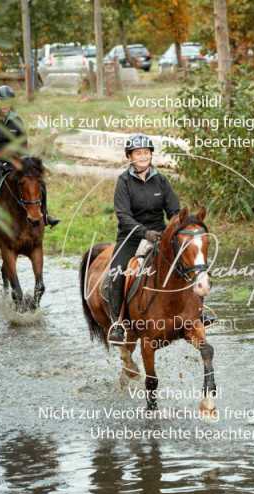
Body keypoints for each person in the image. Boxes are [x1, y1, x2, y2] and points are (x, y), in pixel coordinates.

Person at [108, 133, 214, 344]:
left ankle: (199, 312)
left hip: (160, 235)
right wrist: (143, 232)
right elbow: (123, 215)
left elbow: (174, 211)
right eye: (138, 153)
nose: (143, 156)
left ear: (151, 155)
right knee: (117, 272)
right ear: (130, 156)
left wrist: (176, 228)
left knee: (194, 264)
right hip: (131, 237)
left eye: (146, 152)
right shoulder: (124, 181)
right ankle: (118, 323)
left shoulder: (160, 179)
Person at [0, 84, 59, 227]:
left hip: (14, 163)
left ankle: (44, 214)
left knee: (39, 183)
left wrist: (23, 162)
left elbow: (22, 144)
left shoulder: (16, 120)